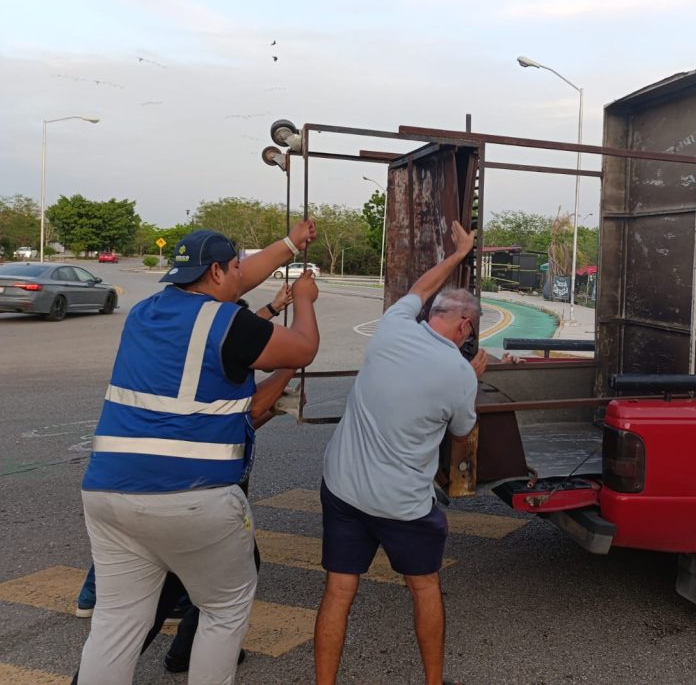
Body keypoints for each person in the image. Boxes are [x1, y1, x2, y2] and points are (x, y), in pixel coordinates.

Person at [76, 222, 320, 685]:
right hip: (191, 495)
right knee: (224, 608)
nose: (242, 274)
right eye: (234, 267)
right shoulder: (227, 322)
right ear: (216, 272)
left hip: (108, 491)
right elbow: (303, 349)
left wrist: (290, 244)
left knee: (116, 623)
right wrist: (304, 300)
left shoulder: (144, 313)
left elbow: (234, 284)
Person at [314, 220, 487, 685]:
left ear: (433, 313)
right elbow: (462, 432)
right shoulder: (459, 372)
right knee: (424, 586)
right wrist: (470, 378)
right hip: (402, 505)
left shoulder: (392, 326)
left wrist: (457, 254)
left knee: (339, 591)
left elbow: (420, 287)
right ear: (465, 325)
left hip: (344, 488)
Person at [73, 282, 296, 621]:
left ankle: (98, 597)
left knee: (136, 545)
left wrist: (274, 307)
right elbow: (246, 408)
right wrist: (288, 367)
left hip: (136, 474)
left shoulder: (185, 346)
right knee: (216, 584)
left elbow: (243, 338)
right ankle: (176, 626)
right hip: (187, 484)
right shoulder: (218, 362)